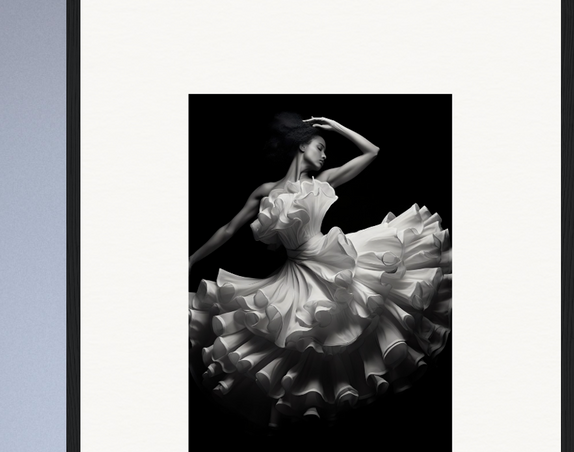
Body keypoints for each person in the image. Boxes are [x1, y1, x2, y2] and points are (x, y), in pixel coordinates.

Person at [188, 113, 451, 426]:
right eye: (320, 146)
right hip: (296, 276)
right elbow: (229, 229)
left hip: (332, 262)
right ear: (301, 146)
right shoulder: (266, 191)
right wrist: (190, 259)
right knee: (299, 345)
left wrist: (335, 126)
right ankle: (308, 417)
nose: (325, 154)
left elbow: (372, 152)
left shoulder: (322, 182)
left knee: (360, 322)